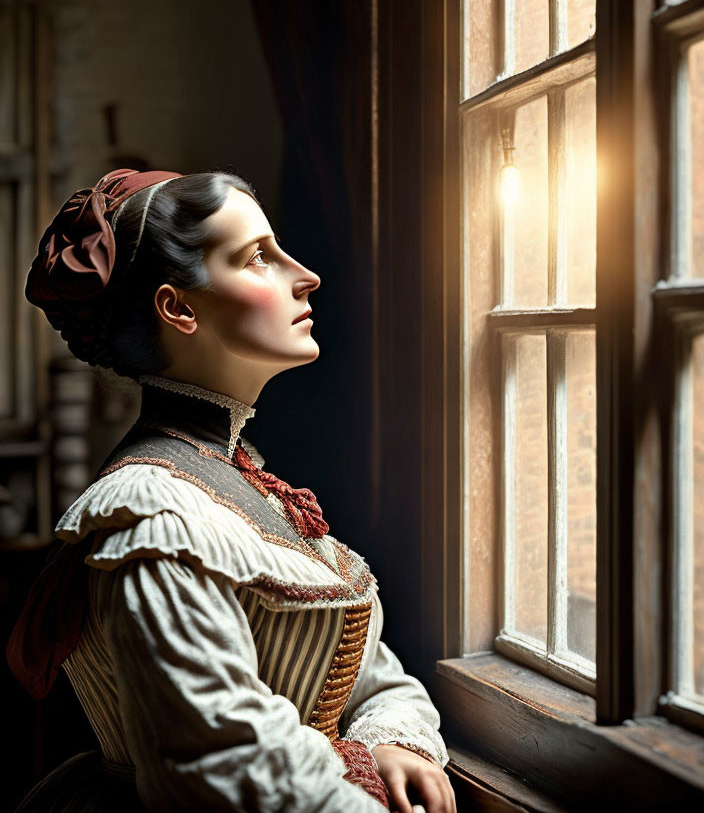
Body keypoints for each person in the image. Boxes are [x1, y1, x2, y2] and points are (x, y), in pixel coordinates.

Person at [7, 169, 456, 813]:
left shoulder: (241, 473)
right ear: (179, 308)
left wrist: (395, 742)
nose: (305, 275)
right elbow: (220, 769)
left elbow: (373, 679)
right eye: (257, 258)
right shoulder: (153, 516)